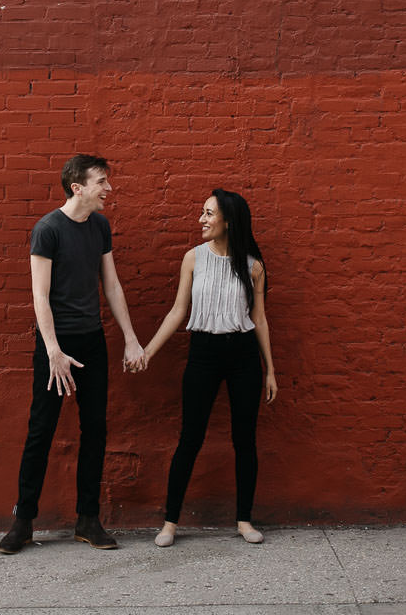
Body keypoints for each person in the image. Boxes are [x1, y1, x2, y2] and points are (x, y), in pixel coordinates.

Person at [0, 154, 146, 554]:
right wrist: (53, 352)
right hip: (55, 345)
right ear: (77, 187)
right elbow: (39, 296)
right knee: (40, 431)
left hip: (92, 341)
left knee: (95, 430)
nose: (108, 189)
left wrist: (131, 339)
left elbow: (111, 286)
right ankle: (23, 521)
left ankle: (88, 519)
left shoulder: (99, 225)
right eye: (102, 182)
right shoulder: (48, 230)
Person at [139, 187, 276, 546]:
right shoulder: (193, 258)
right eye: (202, 212)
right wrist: (148, 351)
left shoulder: (253, 266)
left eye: (208, 214)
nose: (201, 219)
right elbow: (177, 311)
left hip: (244, 355)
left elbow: (259, 319)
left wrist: (270, 370)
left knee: (244, 440)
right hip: (203, 353)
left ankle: (244, 520)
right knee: (190, 438)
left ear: (228, 221)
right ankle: (170, 523)